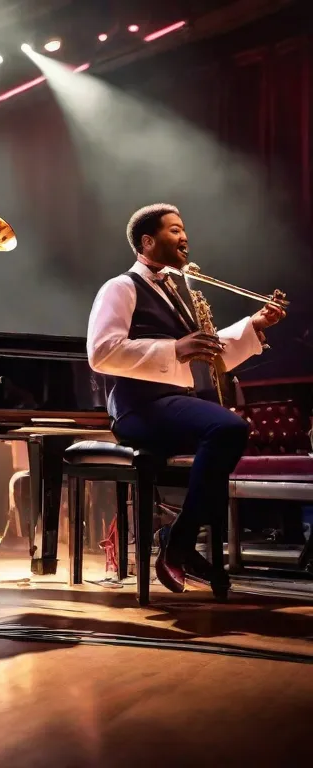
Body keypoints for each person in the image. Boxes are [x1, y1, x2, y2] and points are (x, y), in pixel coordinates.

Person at [87, 203, 285, 597]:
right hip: (138, 406)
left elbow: (211, 352)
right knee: (228, 427)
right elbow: (102, 352)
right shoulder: (121, 286)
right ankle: (179, 544)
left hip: (171, 405)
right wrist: (175, 347)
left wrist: (255, 325)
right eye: (174, 230)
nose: (184, 237)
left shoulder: (175, 291)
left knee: (225, 437)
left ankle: (182, 545)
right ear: (147, 241)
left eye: (184, 230)